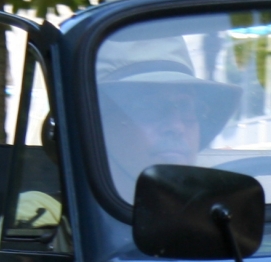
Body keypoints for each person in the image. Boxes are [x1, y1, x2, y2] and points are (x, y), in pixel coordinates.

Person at [95, 36, 240, 201]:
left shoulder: (218, 215)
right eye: (149, 107)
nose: (177, 127)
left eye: (187, 107)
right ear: (99, 124)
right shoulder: (65, 222)